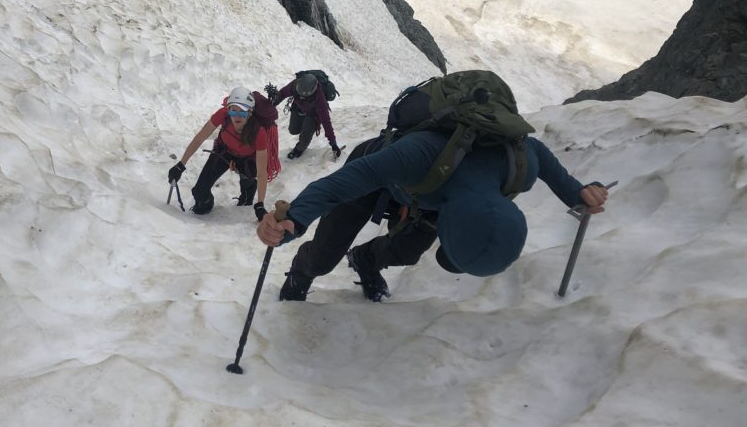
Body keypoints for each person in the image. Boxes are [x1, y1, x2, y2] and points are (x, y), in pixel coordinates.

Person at [256, 130, 610, 301]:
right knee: (324, 258)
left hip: (431, 196)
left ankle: (365, 260)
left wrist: (578, 192)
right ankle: (304, 273)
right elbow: (338, 185)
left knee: (407, 252)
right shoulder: (415, 155)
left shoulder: (520, 166)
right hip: (379, 173)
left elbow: (540, 154)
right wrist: (295, 220)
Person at [168, 87, 273, 220]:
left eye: (242, 112)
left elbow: (262, 172)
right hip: (224, 151)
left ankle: (248, 189)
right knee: (199, 192)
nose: (236, 116)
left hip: (247, 159)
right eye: (233, 110)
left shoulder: (259, 132)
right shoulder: (223, 115)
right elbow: (200, 137)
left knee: (247, 194)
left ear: (250, 112)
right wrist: (181, 165)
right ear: (228, 109)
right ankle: (206, 204)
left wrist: (260, 204)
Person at [267, 73, 340, 160]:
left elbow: (326, 122)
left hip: (312, 114)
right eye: (300, 94)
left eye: (304, 96)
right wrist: (270, 106)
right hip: (298, 108)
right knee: (293, 130)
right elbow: (282, 94)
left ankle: (298, 149)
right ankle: (305, 126)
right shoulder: (295, 85)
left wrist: (333, 143)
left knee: (305, 139)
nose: (302, 96)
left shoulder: (320, 99)